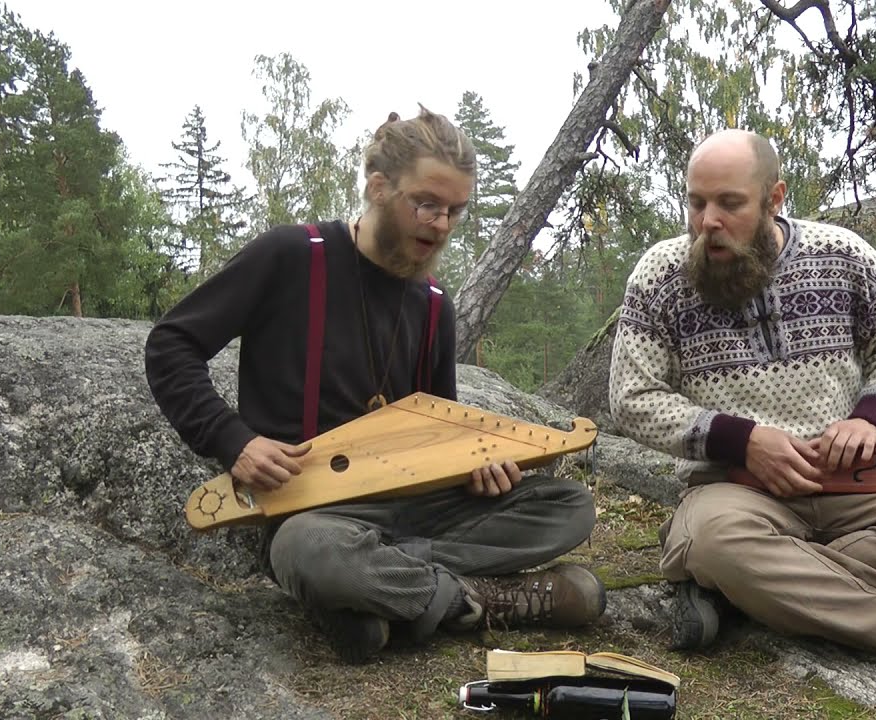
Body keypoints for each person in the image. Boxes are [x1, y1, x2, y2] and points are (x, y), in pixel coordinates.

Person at [145, 106, 604, 665]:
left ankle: (388, 599)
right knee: (309, 552)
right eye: (427, 204)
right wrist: (232, 439)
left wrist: (482, 477)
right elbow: (171, 345)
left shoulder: (436, 308)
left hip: (423, 512)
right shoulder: (293, 256)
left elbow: (438, 435)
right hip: (319, 515)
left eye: (456, 210)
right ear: (378, 186)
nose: (441, 224)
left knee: (570, 506)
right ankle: (478, 599)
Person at [607, 129, 876, 694]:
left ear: (774, 199)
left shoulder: (843, 255)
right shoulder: (660, 275)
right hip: (735, 490)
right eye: (696, 202)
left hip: (850, 484)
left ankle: (744, 590)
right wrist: (741, 440)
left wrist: (869, 418)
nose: (707, 221)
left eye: (729, 203)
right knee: (714, 542)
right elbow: (631, 396)